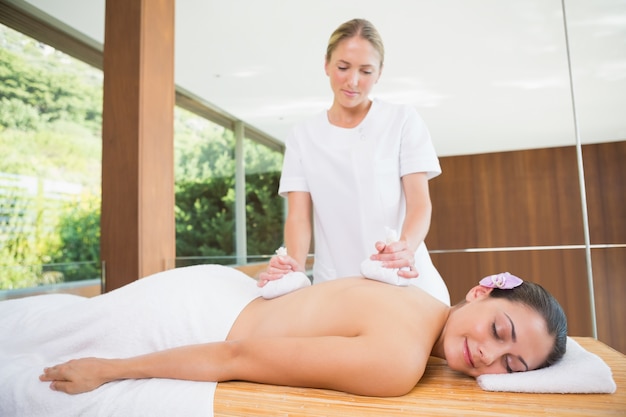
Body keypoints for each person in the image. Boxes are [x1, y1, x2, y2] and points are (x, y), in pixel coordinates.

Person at [28, 266, 566, 401]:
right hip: (194, 319)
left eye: (510, 365)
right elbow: (236, 355)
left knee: (36, 326)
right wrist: (110, 369)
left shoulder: (421, 293)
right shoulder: (398, 361)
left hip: (213, 290)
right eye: (500, 329)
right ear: (481, 291)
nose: (487, 352)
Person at [259, 18, 450, 305]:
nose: (353, 81)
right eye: (343, 67)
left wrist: (405, 248)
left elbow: (420, 204)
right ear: (326, 64)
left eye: (366, 71)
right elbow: (298, 216)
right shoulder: (303, 136)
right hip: (337, 286)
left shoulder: (402, 120)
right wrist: (293, 265)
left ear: (380, 73)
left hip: (405, 280)